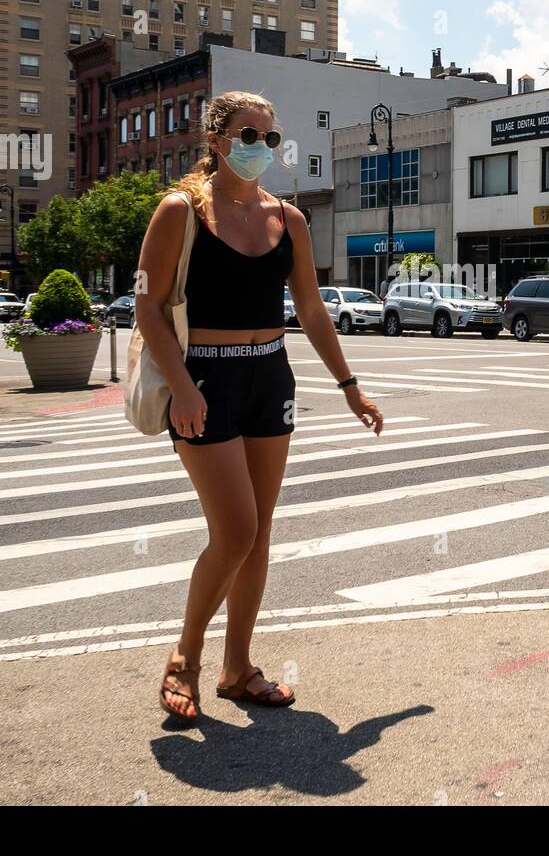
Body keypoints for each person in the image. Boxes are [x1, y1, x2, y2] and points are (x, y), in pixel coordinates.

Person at [135, 91, 384, 723]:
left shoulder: (289, 220)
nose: (261, 149)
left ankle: (237, 667)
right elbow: (147, 307)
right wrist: (184, 388)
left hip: (270, 378)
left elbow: (311, 309)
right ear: (216, 140)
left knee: (259, 531)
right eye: (249, 135)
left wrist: (349, 385)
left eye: (270, 139)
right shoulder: (179, 212)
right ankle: (183, 659)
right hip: (205, 383)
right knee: (235, 531)